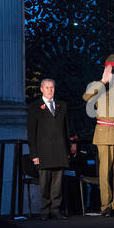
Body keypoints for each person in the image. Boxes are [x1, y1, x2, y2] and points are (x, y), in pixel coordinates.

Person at [82, 54, 114, 217]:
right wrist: (102, 81)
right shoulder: (97, 87)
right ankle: (105, 206)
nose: (113, 73)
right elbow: (86, 97)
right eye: (110, 70)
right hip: (104, 134)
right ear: (105, 70)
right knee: (104, 172)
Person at [27, 78, 70, 220]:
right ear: (41, 89)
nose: (50, 90)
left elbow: (66, 129)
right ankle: (45, 211)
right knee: (44, 184)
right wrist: (34, 154)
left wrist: (67, 150)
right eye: (47, 87)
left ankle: (55, 210)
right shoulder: (34, 107)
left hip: (59, 151)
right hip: (43, 152)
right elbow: (31, 133)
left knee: (57, 185)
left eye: (52, 87)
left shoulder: (61, 105)